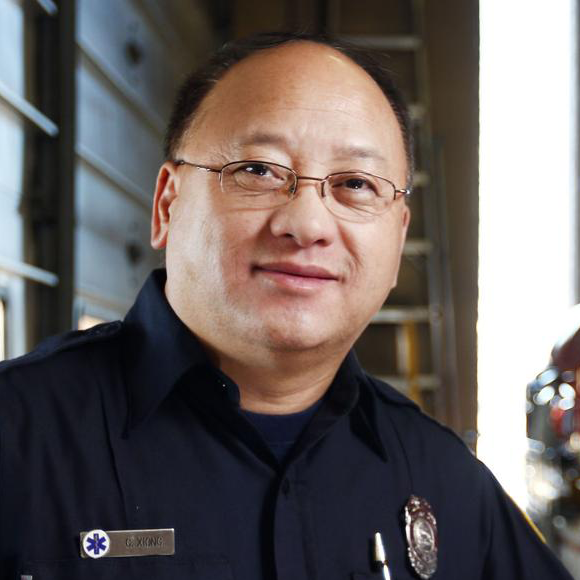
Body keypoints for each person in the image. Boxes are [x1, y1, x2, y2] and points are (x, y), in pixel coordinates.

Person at [0, 31, 573, 580]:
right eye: (257, 171)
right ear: (167, 206)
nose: (307, 224)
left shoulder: (447, 483)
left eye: (355, 184)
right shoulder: (18, 439)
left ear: (397, 241)